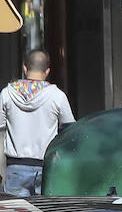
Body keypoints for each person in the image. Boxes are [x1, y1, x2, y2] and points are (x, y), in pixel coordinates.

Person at [0, 49, 74, 196]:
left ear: (25, 68)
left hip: (15, 168)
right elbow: (70, 130)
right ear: (47, 71)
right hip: (46, 169)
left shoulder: (7, 94)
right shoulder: (57, 96)